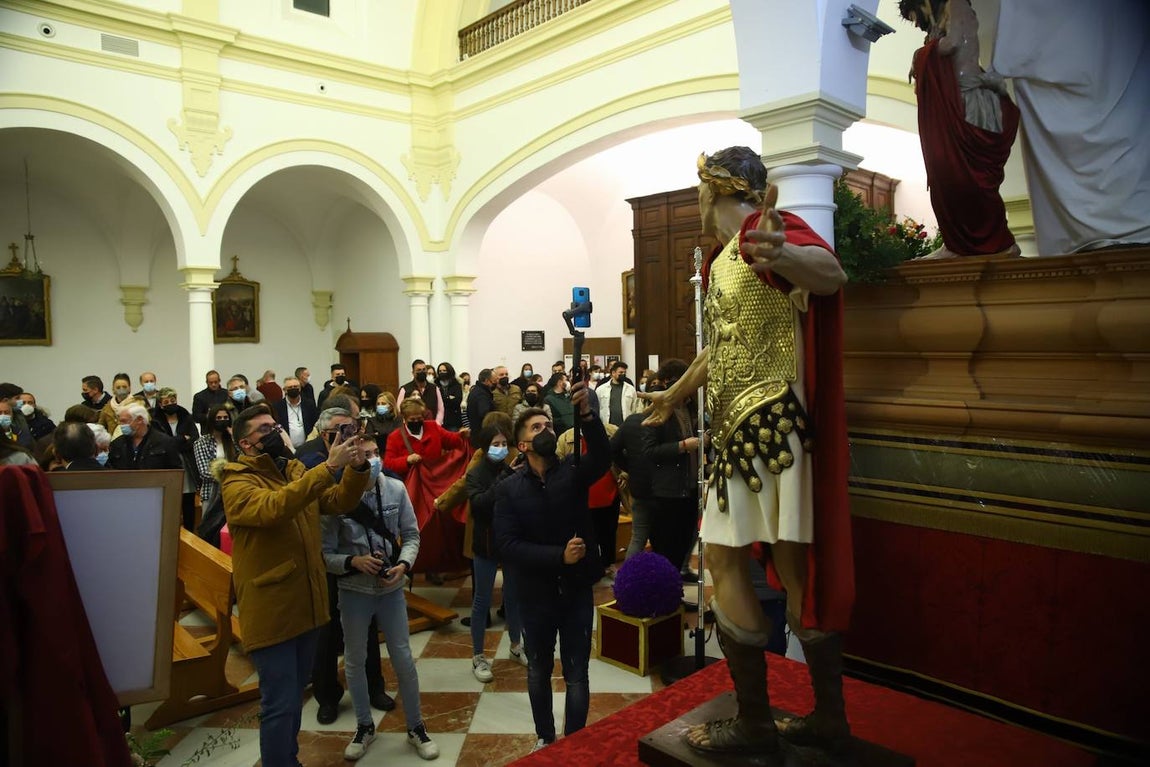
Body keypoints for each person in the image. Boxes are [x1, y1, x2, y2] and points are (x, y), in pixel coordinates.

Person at [643, 147, 852, 754]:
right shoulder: (724, 259)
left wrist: (784, 252)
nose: (697, 204)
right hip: (743, 431)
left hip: (767, 427)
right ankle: (824, 718)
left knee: (740, 564)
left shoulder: (768, 239)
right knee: (783, 570)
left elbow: (830, 274)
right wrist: (674, 394)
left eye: (700, 194)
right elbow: (722, 347)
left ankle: (759, 724)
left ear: (714, 191)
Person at [221, 404, 371, 767]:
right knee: (280, 702)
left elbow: (336, 502)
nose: (273, 432)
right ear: (245, 443)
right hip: (273, 607)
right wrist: (329, 467)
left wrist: (356, 467)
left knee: (294, 696)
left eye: (274, 425)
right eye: (262, 430)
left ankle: (289, 759)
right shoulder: (236, 480)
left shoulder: (292, 469)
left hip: (307, 602)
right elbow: (273, 508)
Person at [493, 383, 609, 752]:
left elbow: (604, 456)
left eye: (548, 425)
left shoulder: (573, 472)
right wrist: (558, 555)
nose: (546, 430)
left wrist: (587, 416)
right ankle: (545, 737)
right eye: (536, 428)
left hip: (575, 590)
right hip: (536, 594)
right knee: (538, 670)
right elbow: (507, 546)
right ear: (522, 445)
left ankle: (574, 742)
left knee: (577, 674)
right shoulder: (510, 489)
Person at [321, 434, 439, 762]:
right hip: (354, 590)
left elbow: (412, 535)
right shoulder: (336, 497)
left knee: (403, 658)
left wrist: (404, 563)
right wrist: (353, 562)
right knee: (355, 660)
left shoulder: (395, 489)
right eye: (364, 454)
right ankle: (363, 725)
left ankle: (416, 726)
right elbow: (324, 553)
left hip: (390, 590)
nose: (372, 460)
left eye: (376, 453)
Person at [297, 407, 396, 724]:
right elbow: (309, 495)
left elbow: (380, 485)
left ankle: (373, 687)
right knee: (325, 634)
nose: (347, 435)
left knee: (366, 628)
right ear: (325, 433)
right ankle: (327, 696)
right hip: (325, 557)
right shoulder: (306, 458)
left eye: (351, 429)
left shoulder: (360, 455)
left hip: (360, 555)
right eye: (341, 430)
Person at [901, 0, 1019, 259]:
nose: (918, 22)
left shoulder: (956, 4)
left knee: (965, 175)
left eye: (915, 15)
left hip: (967, 101)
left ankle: (997, 241)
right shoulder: (939, 21)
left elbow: (953, 44)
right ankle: (956, 243)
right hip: (955, 101)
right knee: (944, 174)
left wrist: (919, 56)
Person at [465, 424, 526, 683]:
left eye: (504, 444)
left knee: (513, 596)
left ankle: (516, 644)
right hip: (486, 543)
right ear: (484, 445)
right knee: (482, 600)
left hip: (509, 542)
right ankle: (478, 656)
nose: (501, 449)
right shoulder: (476, 473)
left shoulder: (508, 468)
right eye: (496, 444)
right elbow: (479, 505)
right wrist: (506, 479)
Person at [150, 387, 201, 531]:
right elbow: (161, 442)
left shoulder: (186, 416)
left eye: (173, 400)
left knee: (189, 503)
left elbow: (194, 439)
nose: (171, 403)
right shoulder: (155, 421)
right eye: (166, 401)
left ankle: (190, 533)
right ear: (160, 404)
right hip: (167, 465)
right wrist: (180, 439)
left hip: (187, 464)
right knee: (171, 503)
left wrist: (174, 442)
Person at [107, 404, 184, 472]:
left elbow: (176, 472)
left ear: (140, 420)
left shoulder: (164, 442)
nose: (121, 425)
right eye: (120, 421)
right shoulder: (117, 444)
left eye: (124, 421)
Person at [194, 402, 237, 509]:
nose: (222, 420)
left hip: (234, 492)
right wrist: (231, 475)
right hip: (211, 493)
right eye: (218, 418)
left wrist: (234, 438)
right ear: (212, 420)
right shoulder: (201, 442)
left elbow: (244, 459)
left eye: (225, 417)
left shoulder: (234, 440)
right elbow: (204, 472)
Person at [397, 359, 446, 426]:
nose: (422, 372)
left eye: (423, 370)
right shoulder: (405, 389)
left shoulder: (435, 388)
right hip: (411, 427)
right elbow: (399, 410)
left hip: (432, 426)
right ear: (413, 373)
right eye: (419, 370)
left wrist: (437, 424)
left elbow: (440, 409)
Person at [274, 376, 317, 449]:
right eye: (290, 387)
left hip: (307, 447)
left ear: (300, 388)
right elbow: (277, 426)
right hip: (287, 448)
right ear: (284, 390)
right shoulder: (277, 406)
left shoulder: (309, 404)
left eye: (295, 386)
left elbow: (315, 423)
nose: (293, 389)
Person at [599, 361, 639, 428]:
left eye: (624, 373)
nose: (623, 374)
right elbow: (598, 408)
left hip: (625, 426)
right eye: (620, 372)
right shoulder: (601, 389)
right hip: (607, 427)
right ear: (613, 373)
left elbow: (634, 408)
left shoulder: (631, 389)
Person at [465, 368, 495, 447]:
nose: (495, 383)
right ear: (486, 381)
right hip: (482, 434)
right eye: (493, 380)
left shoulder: (475, 391)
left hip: (475, 432)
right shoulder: (482, 395)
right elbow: (484, 414)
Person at [542, 372, 574, 436]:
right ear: (560, 382)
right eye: (566, 380)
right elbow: (552, 419)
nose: (568, 382)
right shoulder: (548, 399)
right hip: (562, 434)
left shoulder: (568, 396)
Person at [435, 362, 465, 432]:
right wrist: (449, 398)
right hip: (439, 420)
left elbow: (457, 401)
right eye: (440, 371)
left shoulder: (456, 384)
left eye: (444, 371)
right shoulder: (435, 385)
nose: (442, 372)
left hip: (453, 421)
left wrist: (444, 398)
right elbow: (436, 401)